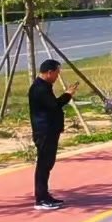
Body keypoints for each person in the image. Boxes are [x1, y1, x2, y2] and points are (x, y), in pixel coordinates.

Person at [27, 59, 73, 210]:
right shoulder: (39, 89)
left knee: (48, 164)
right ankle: (40, 199)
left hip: (50, 131)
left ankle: (45, 195)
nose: (57, 77)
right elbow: (54, 106)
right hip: (44, 132)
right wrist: (67, 95)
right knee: (43, 165)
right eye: (57, 73)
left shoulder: (45, 86)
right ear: (49, 72)